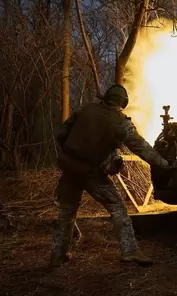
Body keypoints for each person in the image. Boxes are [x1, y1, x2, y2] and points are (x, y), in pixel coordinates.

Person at [50, 84, 170, 267]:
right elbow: (141, 148)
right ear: (124, 103)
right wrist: (165, 164)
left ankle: (58, 254)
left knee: (66, 211)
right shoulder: (121, 122)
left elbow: (61, 134)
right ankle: (130, 251)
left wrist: (72, 153)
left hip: (70, 169)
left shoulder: (85, 110)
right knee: (117, 207)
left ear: (105, 98)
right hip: (92, 174)